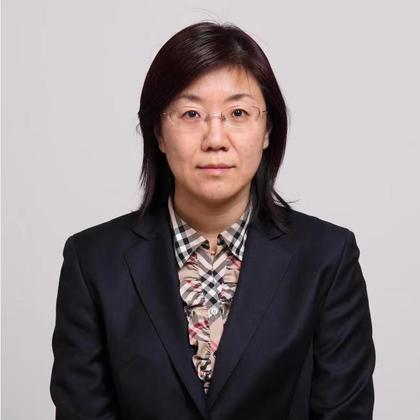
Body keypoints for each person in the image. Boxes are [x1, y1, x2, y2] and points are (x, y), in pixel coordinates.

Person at [50, 21, 375, 420]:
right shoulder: (93, 262)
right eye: (191, 114)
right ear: (159, 133)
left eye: (238, 113)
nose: (215, 139)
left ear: (267, 130)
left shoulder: (328, 258)